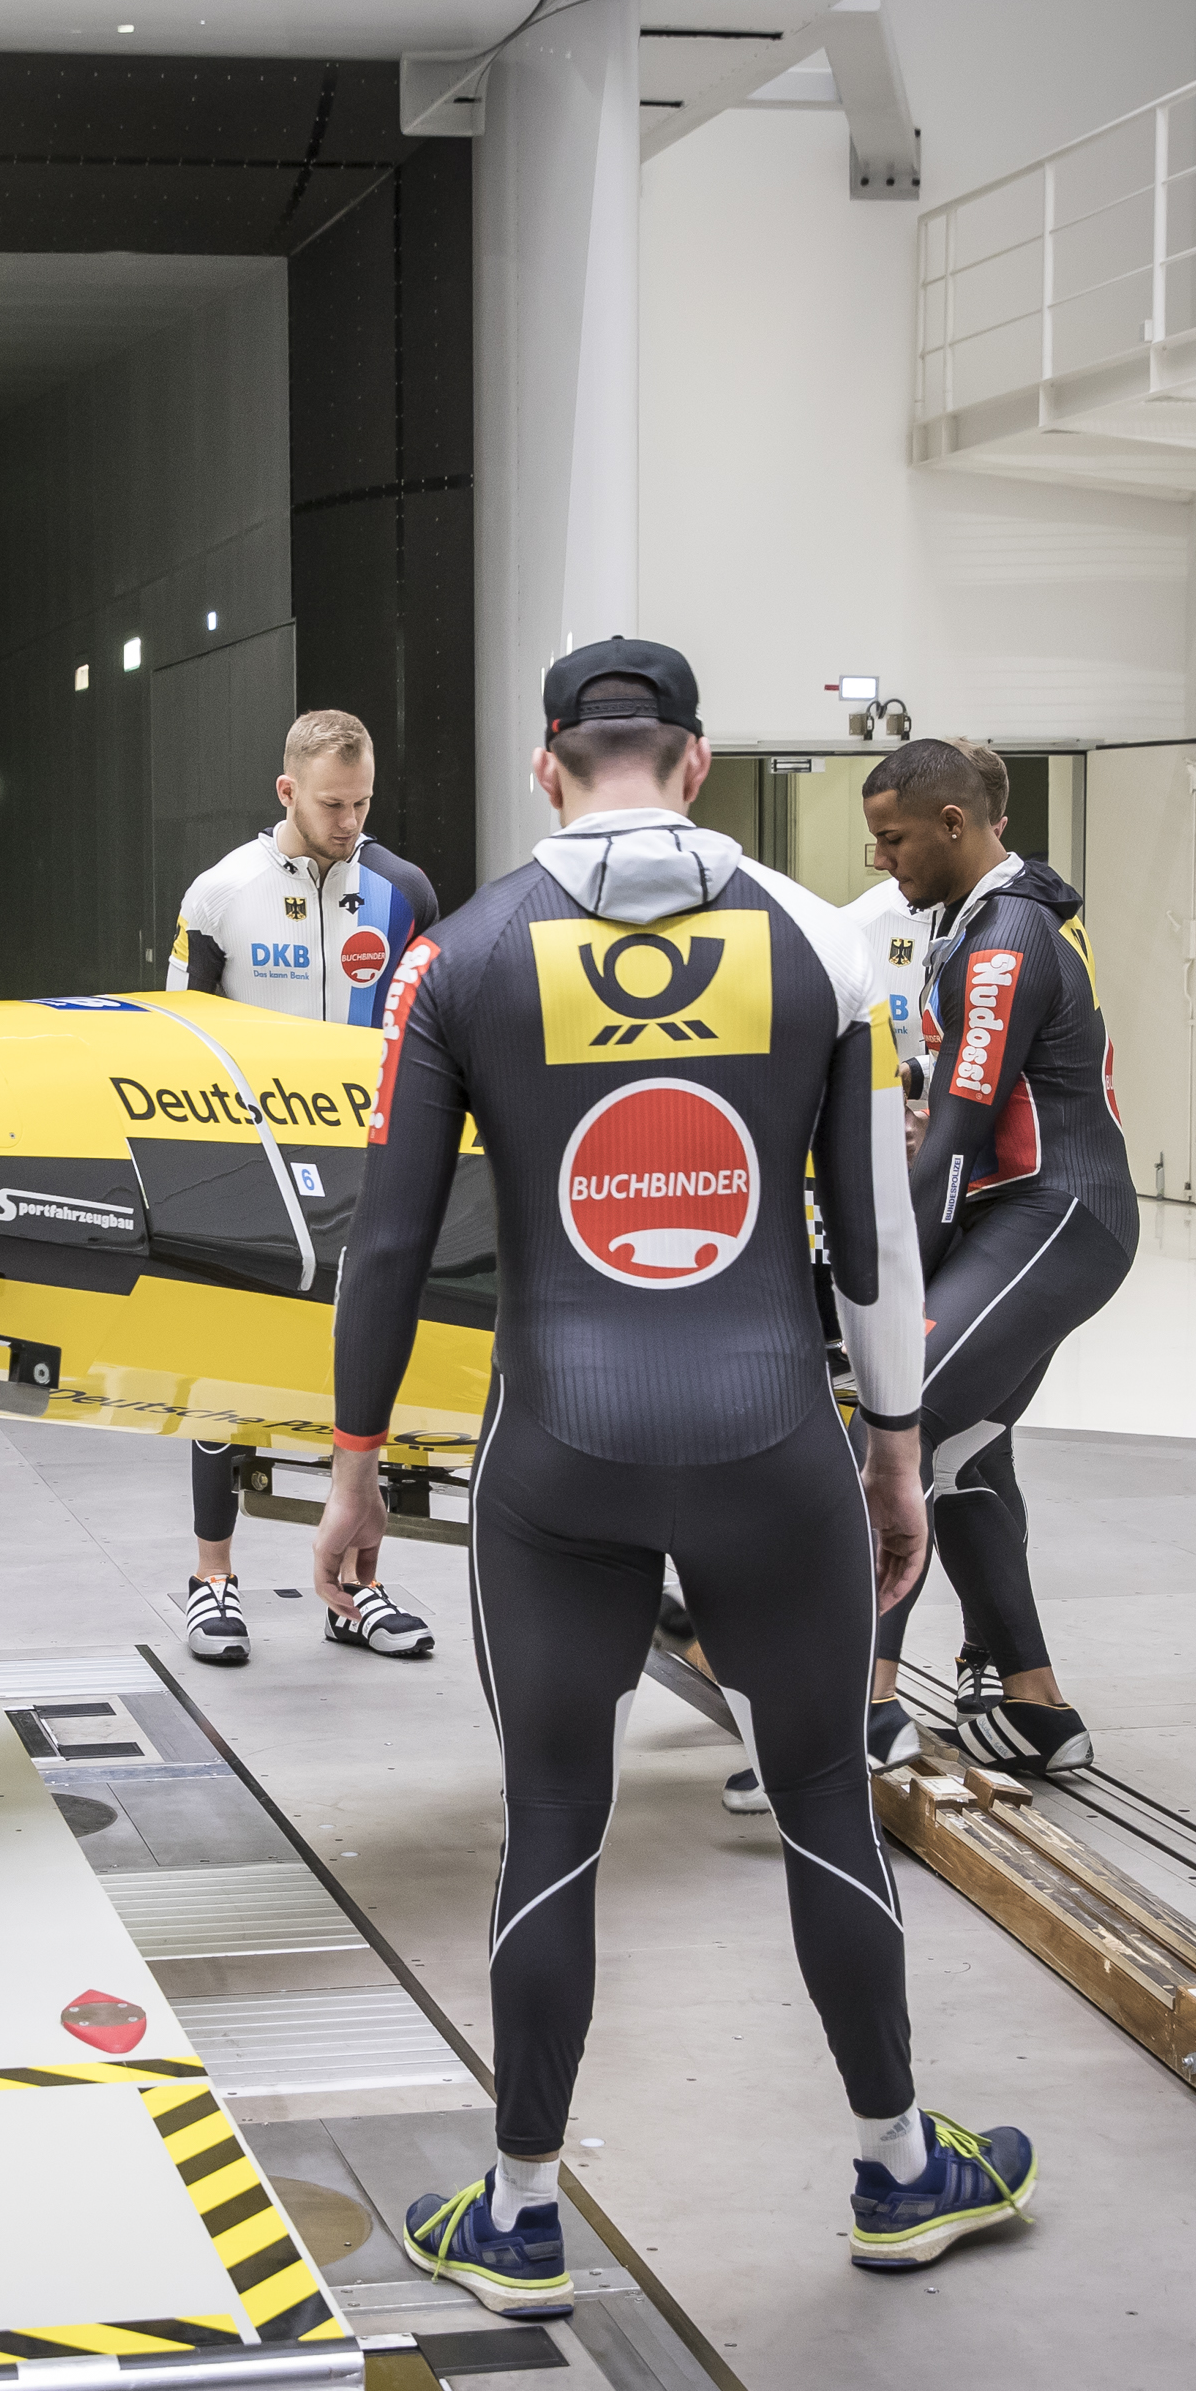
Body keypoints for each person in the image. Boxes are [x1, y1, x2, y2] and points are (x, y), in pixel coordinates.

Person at [322, 639, 1035, 2306]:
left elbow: (387, 1242)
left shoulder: (455, 957)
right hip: (772, 1446)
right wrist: (894, 1450)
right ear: (697, 762)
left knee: (553, 1820)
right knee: (822, 1803)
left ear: (545, 763)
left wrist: (355, 1469)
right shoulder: (817, 944)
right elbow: (872, 1232)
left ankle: (520, 2212)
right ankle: (895, 2171)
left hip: (554, 1458)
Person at [847, 737, 1138, 1779]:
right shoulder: (982, 919)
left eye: (892, 838)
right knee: (965, 1454)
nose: (882, 859)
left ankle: (860, 1700)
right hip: (1033, 1213)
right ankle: (1036, 1706)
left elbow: (961, 1129)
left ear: (953, 824)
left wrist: (885, 1281)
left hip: (1055, 1211)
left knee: (895, 1418)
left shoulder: (1006, 935)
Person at [165, 709, 442, 1666]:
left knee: (367, 1368)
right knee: (221, 1368)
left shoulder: (404, 891)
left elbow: (432, 1031)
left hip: (373, 1167)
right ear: (287, 791)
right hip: (250, 1165)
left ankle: (355, 1588)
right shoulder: (219, 893)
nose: (349, 822)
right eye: (331, 804)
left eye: (362, 803)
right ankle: (211, 1578)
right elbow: (179, 1036)